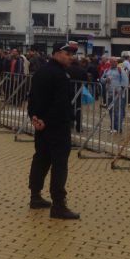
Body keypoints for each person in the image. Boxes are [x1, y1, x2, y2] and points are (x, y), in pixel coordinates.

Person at [28, 41, 80, 219]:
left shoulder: (41, 72)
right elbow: (60, 104)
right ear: (57, 53)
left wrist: (34, 117)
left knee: (41, 159)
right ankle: (58, 204)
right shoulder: (59, 75)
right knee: (59, 164)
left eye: (71, 54)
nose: (70, 58)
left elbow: (32, 97)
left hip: (42, 126)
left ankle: (35, 196)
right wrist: (45, 120)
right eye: (67, 54)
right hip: (57, 127)